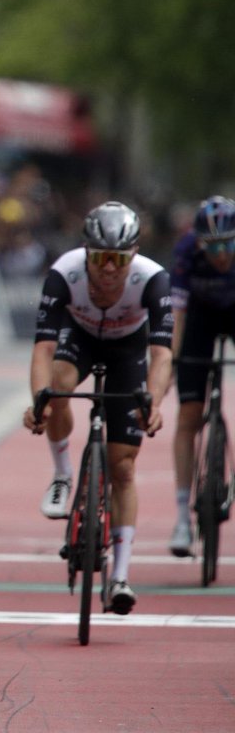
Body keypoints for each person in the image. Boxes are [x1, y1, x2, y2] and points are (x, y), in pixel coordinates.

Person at [23, 201, 172, 615]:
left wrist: (154, 403)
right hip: (80, 335)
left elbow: (161, 355)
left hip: (128, 347)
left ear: (134, 255)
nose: (109, 269)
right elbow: (43, 348)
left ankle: (121, 576)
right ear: (86, 253)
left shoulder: (153, 279)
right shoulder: (63, 274)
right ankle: (63, 473)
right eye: (101, 258)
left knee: (123, 466)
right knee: (59, 387)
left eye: (119, 259)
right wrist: (39, 400)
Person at [168, 197, 235, 556]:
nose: (221, 254)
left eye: (228, 244)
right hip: (199, 319)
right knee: (188, 415)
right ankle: (181, 518)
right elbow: (176, 314)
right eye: (212, 246)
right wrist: (170, 365)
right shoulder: (186, 252)